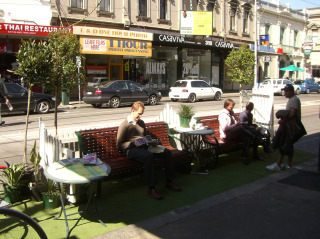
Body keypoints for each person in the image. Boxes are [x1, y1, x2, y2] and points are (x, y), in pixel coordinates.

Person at [116, 101, 181, 200]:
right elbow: (119, 145)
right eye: (139, 114)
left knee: (167, 152)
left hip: (144, 147)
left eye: (141, 114)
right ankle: (152, 188)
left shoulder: (141, 123)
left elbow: (145, 137)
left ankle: (169, 181)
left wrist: (151, 142)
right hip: (131, 150)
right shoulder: (124, 125)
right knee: (148, 156)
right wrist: (134, 143)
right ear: (133, 111)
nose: (140, 116)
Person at [266, 84, 305, 171]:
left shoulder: (294, 100)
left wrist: (283, 121)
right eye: (284, 91)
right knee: (288, 145)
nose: (285, 93)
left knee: (283, 144)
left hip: (289, 126)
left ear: (291, 91)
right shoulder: (292, 99)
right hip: (289, 126)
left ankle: (278, 164)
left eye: (286, 91)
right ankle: (288, 164)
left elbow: (292, 113)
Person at [218, 99, 263, 165]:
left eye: (233, 107)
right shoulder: (223, 115)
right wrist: (236, 125)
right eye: (231, 107)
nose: (232, 108)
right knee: (240, 128)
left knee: (247, 138)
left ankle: (246, 157)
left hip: (235, 133)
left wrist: (237, 124)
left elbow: (235, 123)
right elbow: (225, 128)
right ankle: (253, 136)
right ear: (226, 106)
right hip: (227, 134)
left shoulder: (231, 112)